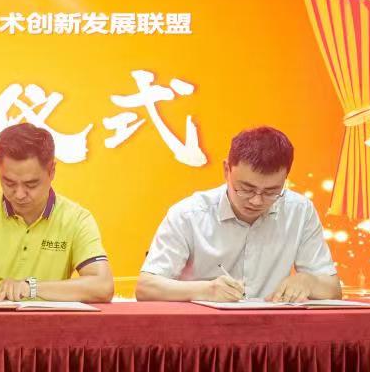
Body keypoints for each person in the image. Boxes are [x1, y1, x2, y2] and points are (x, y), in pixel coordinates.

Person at [136, 126, 341, 302]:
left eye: (271, 192)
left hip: (272, 330)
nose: (256, 201)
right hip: (201, 330)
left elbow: (333, 290)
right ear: (227, 170)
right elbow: (146, 288)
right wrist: (205, 290)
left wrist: (308, 282)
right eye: (246, 189)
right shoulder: (189, 214)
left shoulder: (300, 211)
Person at [0, 123, 114, 302]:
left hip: (49, 324)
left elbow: (103, 286)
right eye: (9, 183)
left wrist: (32, 288)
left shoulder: (76, 219)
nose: (19, 194)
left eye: (31, 184)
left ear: (52, 171)